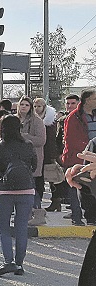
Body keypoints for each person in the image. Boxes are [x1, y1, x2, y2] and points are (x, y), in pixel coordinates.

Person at [0, 115, 36, 276]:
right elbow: (34, 166)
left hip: (4, 190)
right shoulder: (28, 145)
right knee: (21, 228)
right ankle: (19, 264)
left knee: (3, 228)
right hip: (26, 190)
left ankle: (8, 262)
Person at [62, 91, 94, 225]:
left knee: (90, 189)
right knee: (76, 188)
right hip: (78, 157)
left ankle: (91, 217)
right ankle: (77, 217)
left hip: (93, 157)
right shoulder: (74, 117)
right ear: (87, 101)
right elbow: (71, 140)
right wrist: (88, 151)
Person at [14, 96, 47, 226]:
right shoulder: (14, 120)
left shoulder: (37, 121)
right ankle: (24, 214)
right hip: (17, 159)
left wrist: (24, 137)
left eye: (27, 105)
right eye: (21, 104)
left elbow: (41, 140)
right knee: (21, 189)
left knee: (32, 188)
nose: (23, 107)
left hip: (32, 158)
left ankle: (38, 213)